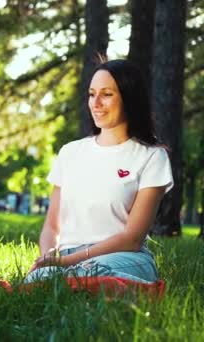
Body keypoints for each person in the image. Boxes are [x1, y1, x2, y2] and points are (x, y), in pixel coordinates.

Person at [25, 59, 173, 284]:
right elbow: (52, 226)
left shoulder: (151, 156)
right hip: (68, 258)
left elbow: (132, 239)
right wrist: (47, 258)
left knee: (90, 272)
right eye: (92, 94)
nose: (96, 103)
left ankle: (134, 288)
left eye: (107, 94)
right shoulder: (70, 152)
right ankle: (84, 287)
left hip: (123, 257)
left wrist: (66, 263)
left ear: (129, 98)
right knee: (41, 278)